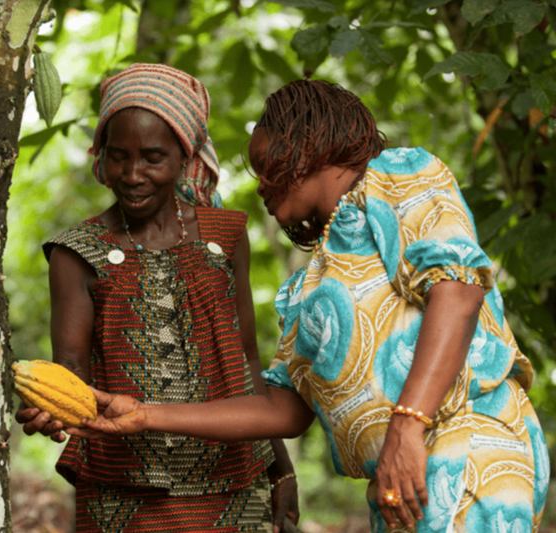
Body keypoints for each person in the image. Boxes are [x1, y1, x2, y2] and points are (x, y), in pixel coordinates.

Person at [67, 80, 552, 533]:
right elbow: (284, 408)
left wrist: (407, 426)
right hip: (400, 476)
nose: (259, 186)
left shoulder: (398, 176)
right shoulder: (313, 283)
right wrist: (146, 415)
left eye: (264, 163)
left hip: (468, 448)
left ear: (305, 141)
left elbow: (458, 289)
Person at [16, 63, 300, 533]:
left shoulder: (226, 236)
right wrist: (49, 407)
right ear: (100, 156)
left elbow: (247, 362)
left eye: (152, 157)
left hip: (233, 482)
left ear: (185, 156)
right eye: (117, 155)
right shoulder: (77, 252)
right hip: (123, 494)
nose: (132, 174)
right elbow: (71, 376)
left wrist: (280, 468)